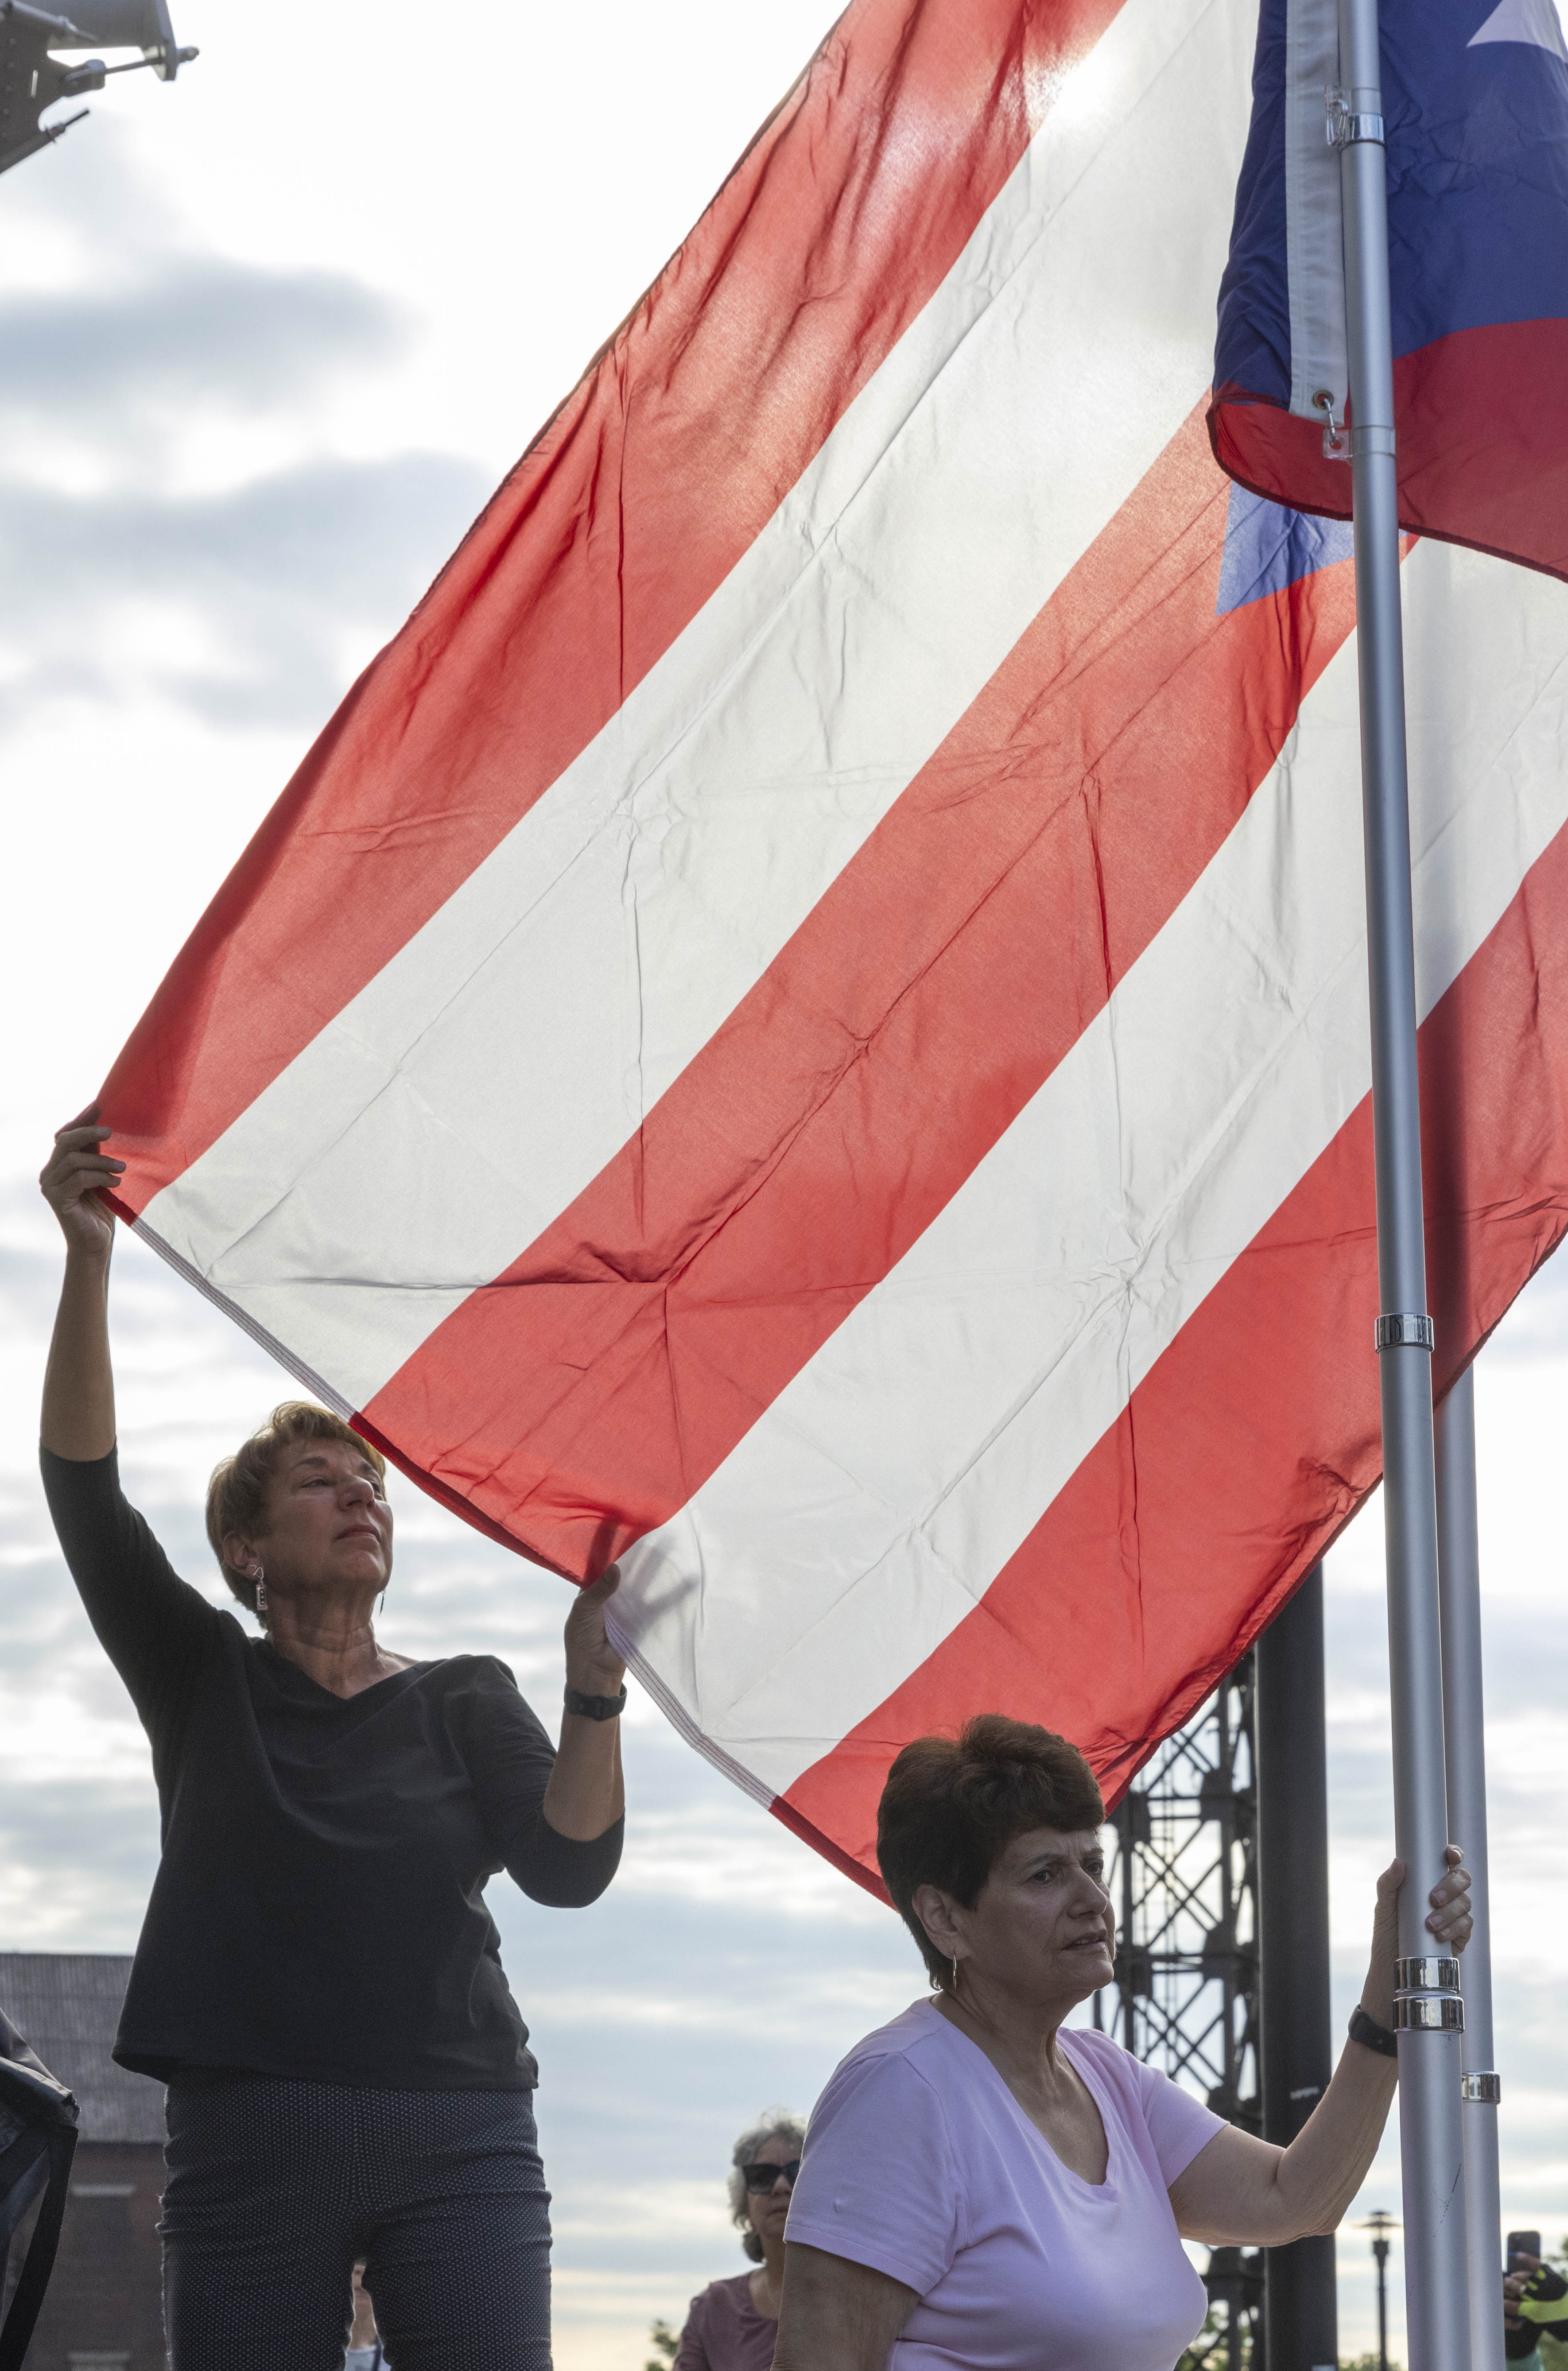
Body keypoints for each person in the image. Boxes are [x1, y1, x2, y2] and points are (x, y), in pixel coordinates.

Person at [38, 1111, 629, 2371]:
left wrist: (592, 1692)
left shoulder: (467, 1692)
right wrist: (88, 1261)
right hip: (251, 2136)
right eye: (323, 1479)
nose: (362, 1497)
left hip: (459, 2129)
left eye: (373, 1486)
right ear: (245, 1550)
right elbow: (84, 1496)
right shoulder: (200, 1677)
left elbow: (567, 1867)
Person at [775, 1714, 1473, 2371]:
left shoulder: (1103, 2074)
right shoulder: (900, 2091)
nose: (1093, 1900)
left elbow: (1295, 2199)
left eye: (1094, 1865)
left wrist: (1393, 1987)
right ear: (945, 1917)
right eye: (1045, 1874)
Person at [674, 2111, 805, 2370]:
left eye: (797, 2172)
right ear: (744, 2206)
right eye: (762, 2176)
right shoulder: (715, 2308)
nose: (781, 2186)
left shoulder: (862, 2298)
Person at [347, 2262, 389, 2371]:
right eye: (356, 2272)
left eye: (369, 2273)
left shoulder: (399, 2351)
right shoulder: (318, 2350)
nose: (362, 2279)